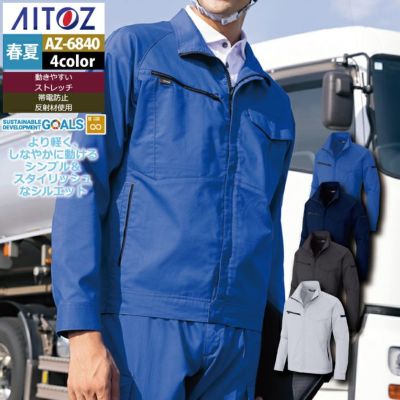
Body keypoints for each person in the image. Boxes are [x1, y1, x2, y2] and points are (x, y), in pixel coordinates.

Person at [51, 1, 296, 399]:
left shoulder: (274, 103)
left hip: (238, 340)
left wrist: (273, 340)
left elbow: (271, 231)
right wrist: (82, 334)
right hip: (142, 324)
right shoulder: (131, 52)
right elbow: (81, 186)